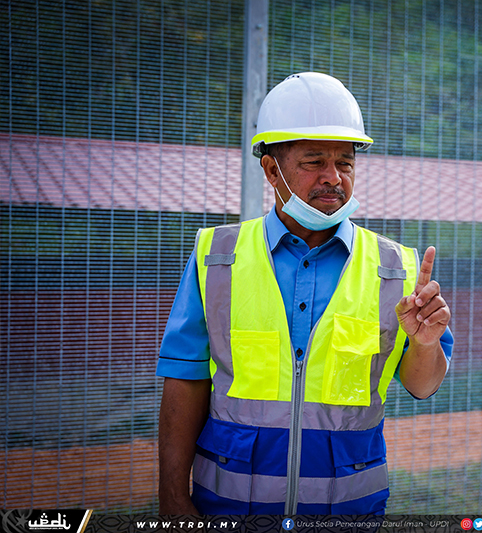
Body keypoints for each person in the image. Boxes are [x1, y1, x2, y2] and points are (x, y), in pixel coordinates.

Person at [156, 72, 454, 515]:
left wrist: (426, 345)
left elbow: (422, 385)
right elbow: (185, 380)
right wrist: (174, 497)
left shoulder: (398, 269)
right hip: (229, 510)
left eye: (346, 162)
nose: (333, 177)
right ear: (271, 169)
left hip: (348, 514)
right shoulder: (215, 257)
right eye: (314, 161)